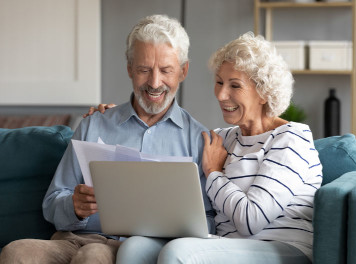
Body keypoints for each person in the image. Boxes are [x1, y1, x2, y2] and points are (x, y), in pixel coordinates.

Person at [90, 32, 323, 263]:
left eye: (235, 85)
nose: (221, 95)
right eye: (219, 82)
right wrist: (111, 116)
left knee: (178, 252)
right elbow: (167, 144)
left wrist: (214, 173)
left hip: (281, 249)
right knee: (134, 248)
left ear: (263, 92)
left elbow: (252, 220)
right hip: (223, 245)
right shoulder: (222, 139)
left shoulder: (291, 139)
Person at [0, 14, 215, 264]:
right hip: (72, 238)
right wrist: (74, 206)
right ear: (129, 69)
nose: (155, 83)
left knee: (92, 256)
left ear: (183, 71)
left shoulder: (197, 139)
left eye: (166, 70)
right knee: (16, 252)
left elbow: (208, 220)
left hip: (133, 249)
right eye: (144, 70)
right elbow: (52, 202)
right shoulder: (95, 123)